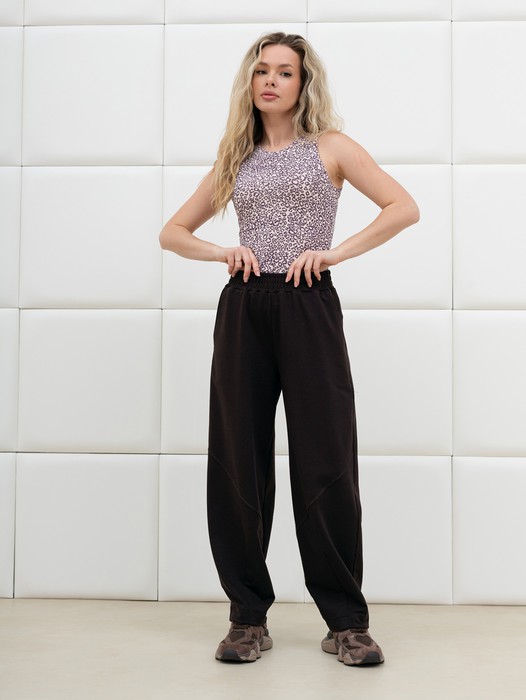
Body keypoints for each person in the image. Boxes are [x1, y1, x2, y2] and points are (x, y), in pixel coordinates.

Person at [159, 31, 420, 667]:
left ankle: (346, 622)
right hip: (245, 307)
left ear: (304, 84)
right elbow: (172, 232)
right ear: (249, 83)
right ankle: (247, 616)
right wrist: (221, 251)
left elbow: (403, 207)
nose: (271, 80)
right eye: (262, 71)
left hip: (308, 304)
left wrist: (333, 253)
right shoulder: (236, 157)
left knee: (326, 457)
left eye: (284, 72)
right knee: (238, 459)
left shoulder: (331, 147)